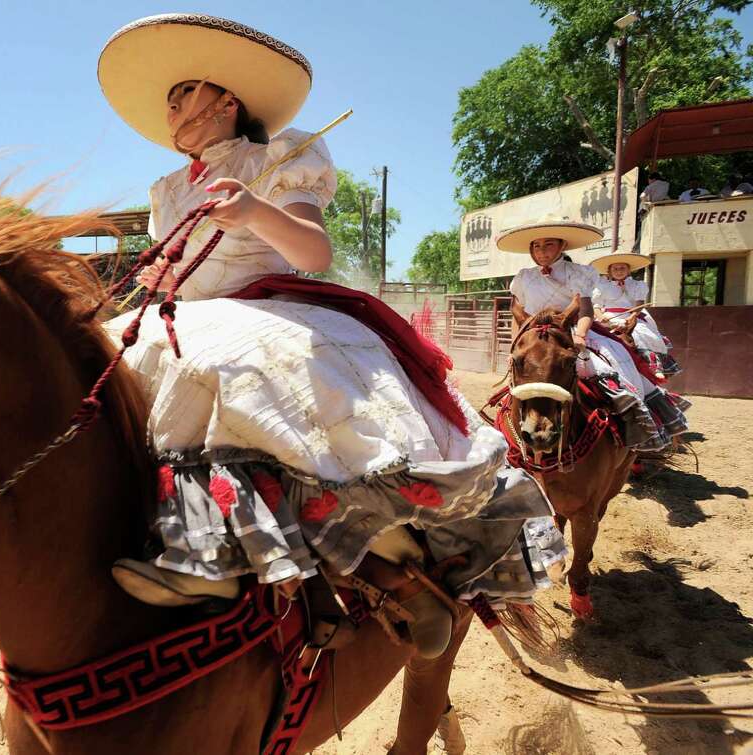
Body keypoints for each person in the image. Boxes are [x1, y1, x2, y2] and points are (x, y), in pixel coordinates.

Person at [97, 13, 565, 659]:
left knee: (207, 362)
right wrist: (161, 269)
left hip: (267, 309)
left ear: (227, 100)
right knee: (104, 354)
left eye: (186, 91)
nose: (172, 105)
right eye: (170, 97)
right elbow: (177, 270)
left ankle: (224, 554)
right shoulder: (168, 189)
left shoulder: (279, 155)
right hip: (190, 314)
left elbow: (313, 252)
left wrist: (255, 209)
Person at [500, 218, 687, 450]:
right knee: (516, 377)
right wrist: (515, 345)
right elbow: (519, 316)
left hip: (572, 330)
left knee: (609, 366)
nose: (542, 251)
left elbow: (586, 310)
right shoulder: (524, 277)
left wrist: (579, 336)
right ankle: (508, 432)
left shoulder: (578, 273)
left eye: (548, 245)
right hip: (535, 336)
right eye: (536, 246)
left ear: (561, 246)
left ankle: (630, 424)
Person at [591, 253, 680, 380]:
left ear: (629, 270)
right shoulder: (602, 287)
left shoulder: (638, 285)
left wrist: (632, 316)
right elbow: (596, 306)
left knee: (642, 333)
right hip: (609, 315)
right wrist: (600, 317)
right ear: (609, 271)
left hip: (632, 314)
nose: (619, 271)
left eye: (622, 268)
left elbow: (639, 304)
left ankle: (654, 366)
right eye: (615, 269)